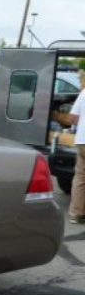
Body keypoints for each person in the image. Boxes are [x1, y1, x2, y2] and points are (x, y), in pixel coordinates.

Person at [67, 70, 85, 223]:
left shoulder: (84, 93)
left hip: (82, 141)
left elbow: (72, 117)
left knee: (80, 177)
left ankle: (76, 213)